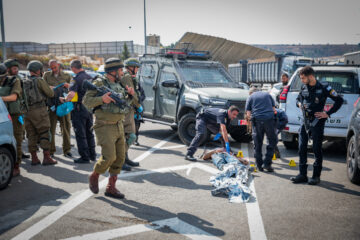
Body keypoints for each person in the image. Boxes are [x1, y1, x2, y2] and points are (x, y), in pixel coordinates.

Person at [84, 58, 134, 199]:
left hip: (118, 124)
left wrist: (130, 95)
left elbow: (124, 104)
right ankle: (94, 175)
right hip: (104, 125)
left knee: (119, 158)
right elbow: (86, 102)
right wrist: (102, 100)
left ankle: (111, 187)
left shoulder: (118, 84)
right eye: (120, 70)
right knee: (109, 157)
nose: (122, 72)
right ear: (112, 71)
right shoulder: (99, 83)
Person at [291, 66, 343, 185]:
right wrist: (299, 104)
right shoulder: (304, 86)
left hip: (317, 122)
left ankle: (315, 176)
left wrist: (327, 113)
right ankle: (302, 174)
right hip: (304, 121)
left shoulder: (324, 87)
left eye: (303, 78)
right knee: (302, 148)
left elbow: (338, 100)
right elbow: (298, 99)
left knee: (316, 149)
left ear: (311, 76)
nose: (302, 80)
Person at [23, 60, 57, 165]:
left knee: (31, 134)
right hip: (40, 110)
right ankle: (46, 158)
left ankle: (34, 158)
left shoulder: (23, 81)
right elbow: (50, 94)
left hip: (27, 112)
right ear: (38, 70)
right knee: (44, 132)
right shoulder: (39, 80)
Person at [61, 60, 96, 163]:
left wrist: (64, 99)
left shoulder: (76, 78)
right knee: (89, 132)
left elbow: (71, 94)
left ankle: (84, 157)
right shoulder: (89, 77)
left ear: (73, 68)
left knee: (80, 133)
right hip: (89, 108)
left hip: (79, 109)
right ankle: (92, 155)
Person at [43, 59, 72, 158]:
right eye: (51, 68)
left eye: (55, 67)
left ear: (59, 65)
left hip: (64, 106)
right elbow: (42, 88)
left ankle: (67, 150)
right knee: (51, 129)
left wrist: (69, 86)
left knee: (66, 128)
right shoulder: (46, 75)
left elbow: (73, 89)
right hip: (52, 106)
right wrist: (48, 87)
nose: (53, 69)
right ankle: (51, 151)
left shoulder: (67, 76)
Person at [0, 63, 25, 176]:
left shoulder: (15, 81)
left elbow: (14, 97)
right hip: (2, 114)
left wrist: (0, 98)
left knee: (16, 139)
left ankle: (16, 166)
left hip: (14, 115)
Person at [246, 87, 277, 172]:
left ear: (251, 93)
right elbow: (274, 110)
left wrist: (251, 122)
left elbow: (248, 114)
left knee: (258, 143)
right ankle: (267, 163)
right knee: (271, 141)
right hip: (269, 120)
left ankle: (259, 166)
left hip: (257, 120)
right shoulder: (268, 95)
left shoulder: (250, 97)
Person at [4, 59, 30, 160]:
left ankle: (19, 153)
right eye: (14, 69)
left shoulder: (18, 78)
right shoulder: (5, 80)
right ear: (7, 69)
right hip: (8, 112)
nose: (16, 70)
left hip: (19, 110)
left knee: (20, 134)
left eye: (17, 68)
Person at [121, 58, 143, 170]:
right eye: (136, 67)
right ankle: (120, 160)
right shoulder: (126, 77)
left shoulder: (130, 77)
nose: (138, 69)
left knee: (129, 136)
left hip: (130, 110)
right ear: (131, 67)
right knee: (129, 136)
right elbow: (132, 94)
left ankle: (125, 158)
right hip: (126, 111)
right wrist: (138, 106)